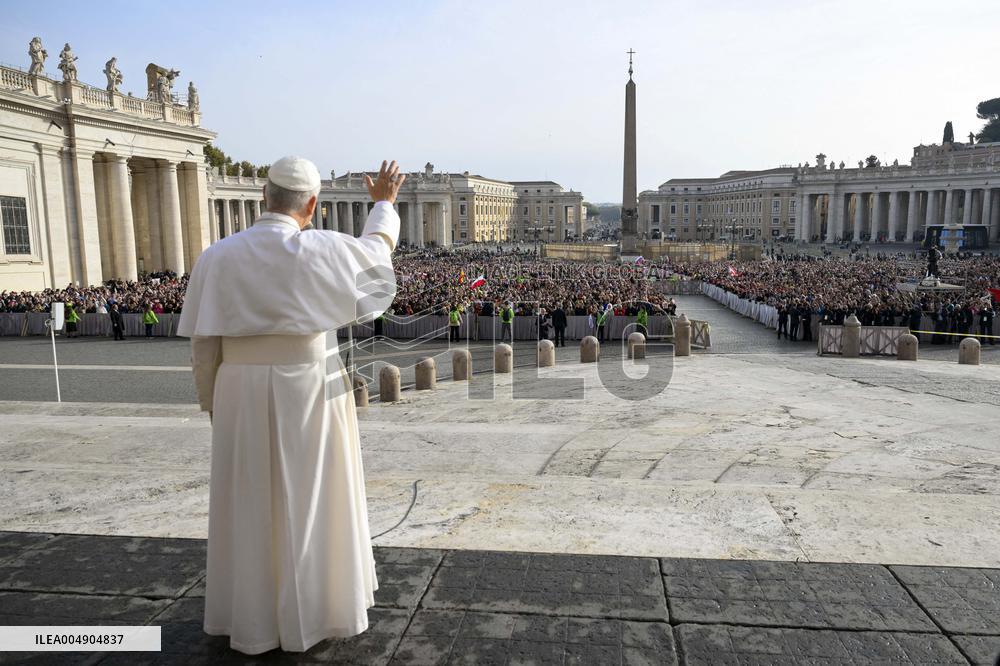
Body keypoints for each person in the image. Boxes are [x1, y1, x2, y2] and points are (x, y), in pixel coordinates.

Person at [177, 157, 404, 655]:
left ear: (262, 197)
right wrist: (383, 204)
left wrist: (213, 402)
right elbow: (375, 259)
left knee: (250, 499)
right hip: (311, 379)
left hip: (237, 385)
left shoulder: (217, 256)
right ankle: (322, 607)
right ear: (314, 205)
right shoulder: (323, 248)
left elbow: (203, 345)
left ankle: (252, 617)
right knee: (314, 493)